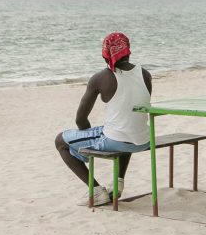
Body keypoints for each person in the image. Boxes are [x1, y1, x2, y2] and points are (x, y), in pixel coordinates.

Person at [54, 32, 153, 206]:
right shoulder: (145, 74)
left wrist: (86, 134)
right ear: (128, 50)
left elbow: (80, 119)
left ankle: (96, 191)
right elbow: (132, 112)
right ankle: (118, 182)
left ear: (105, 53)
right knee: (124, 127)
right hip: (144, 140)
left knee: (60, 141)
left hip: (118, 139)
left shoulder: (100, 78)